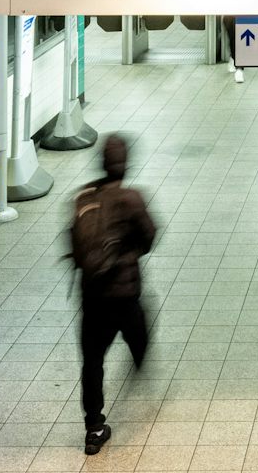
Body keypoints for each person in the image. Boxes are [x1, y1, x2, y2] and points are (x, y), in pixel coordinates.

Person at [70, 133, 157, 457]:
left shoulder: (83, 199)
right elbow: (149, 236)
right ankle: (139, 357)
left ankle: (94, 428)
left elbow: (74, 246)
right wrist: (129, 253)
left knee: (92, 362)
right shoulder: (131, 198)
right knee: (139, 329)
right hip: (124, 293)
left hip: (92, 296)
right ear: (126, 165)